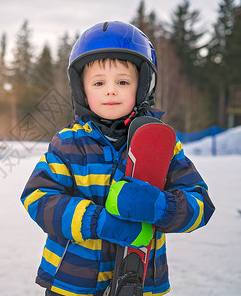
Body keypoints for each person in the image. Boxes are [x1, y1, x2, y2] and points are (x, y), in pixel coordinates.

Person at [20, 21, 215, 296]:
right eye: (98, 82)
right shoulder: (68, 143)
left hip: (140, 283)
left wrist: (162, 208)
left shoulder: (162, 145)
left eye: (122, 81)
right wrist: (94, 221)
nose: (110, 90)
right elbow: (38, 197)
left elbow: (200, 204)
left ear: (143, 86)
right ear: (82, 90)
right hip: (72, 283)